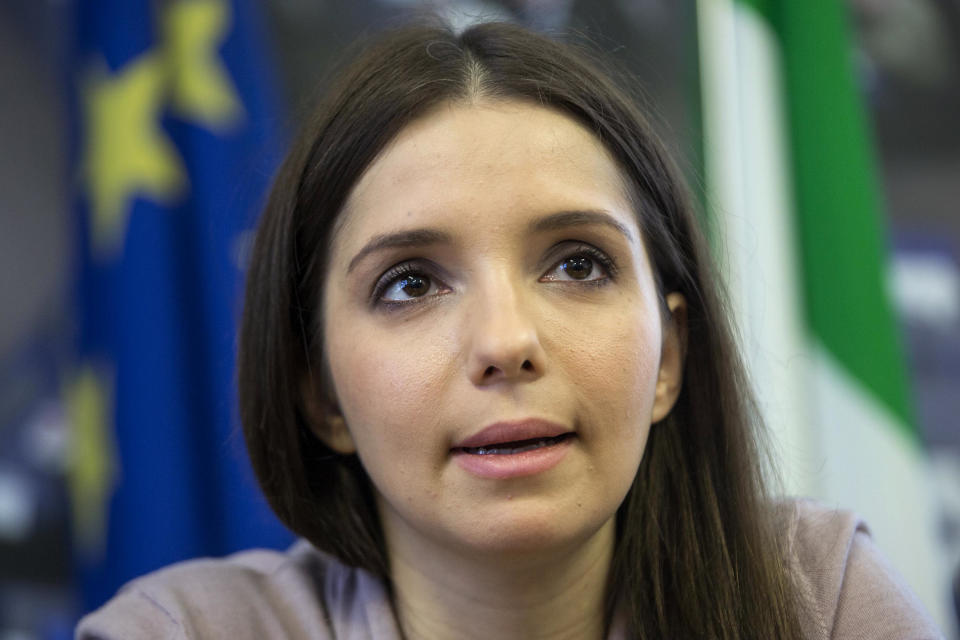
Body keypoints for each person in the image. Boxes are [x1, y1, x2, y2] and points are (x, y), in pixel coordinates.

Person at [76, 20, 942, 640]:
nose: (504, 341)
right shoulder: (177, 631)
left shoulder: (814, 600)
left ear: (670, 357)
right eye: (410, 283)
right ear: (320, 393)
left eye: (577, 264)